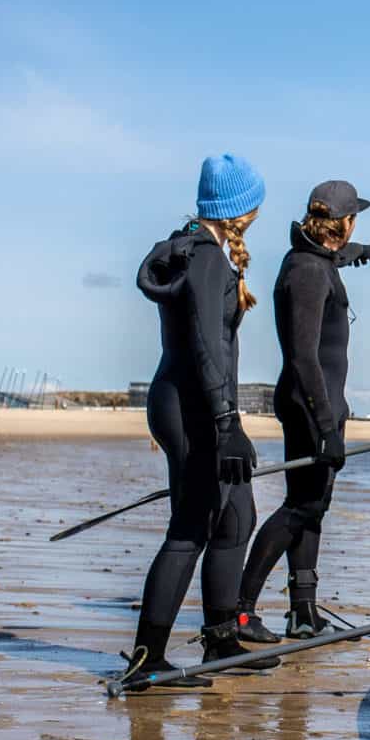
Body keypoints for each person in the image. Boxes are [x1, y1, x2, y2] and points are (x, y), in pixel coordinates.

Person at [124, 152, 276, 687]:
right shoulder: (207, 259)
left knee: (236, 516)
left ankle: (220, 640)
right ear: (240, 207)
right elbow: (210, 348)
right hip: (194, 410)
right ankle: (147, 661)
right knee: (190, 528)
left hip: (191, 402)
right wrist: (228, 422)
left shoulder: (197, 250)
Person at [237, 180, 370, 641]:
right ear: (345, 220)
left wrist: (353, 251)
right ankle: (240, 610)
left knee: (313, 507)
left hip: (320, 406)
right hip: (308, 406)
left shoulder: (313, 259)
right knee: (299, 508)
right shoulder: (307, 272)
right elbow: (303, 356)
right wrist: (325, 426)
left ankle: (303, 611)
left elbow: (324, 256)